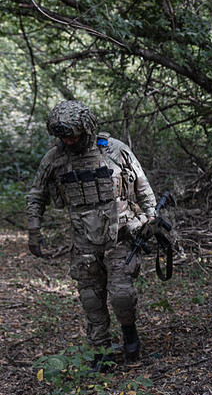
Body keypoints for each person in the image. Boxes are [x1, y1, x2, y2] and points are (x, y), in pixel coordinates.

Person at [26, 100, 158, 370]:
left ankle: (130, 335)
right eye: (63, 136)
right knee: (90, 298)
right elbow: (37, 194)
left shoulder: (115, 150)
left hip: (120, 236)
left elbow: (143, 186)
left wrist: (152, 218)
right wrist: (33, 229)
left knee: (122, 295)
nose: (69, 140)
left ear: (87, 128)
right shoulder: (55, 158)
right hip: (83, 240)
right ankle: (100, 352)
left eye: (73, 134)